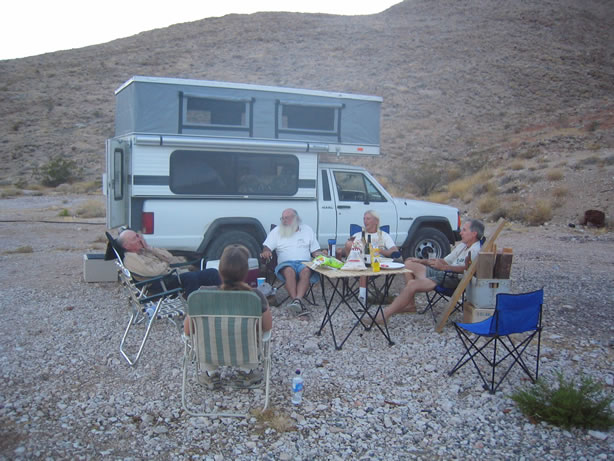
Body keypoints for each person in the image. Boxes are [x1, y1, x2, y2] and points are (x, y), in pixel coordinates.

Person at [183, 244, 272, 389]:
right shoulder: (254, 296)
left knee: (205, 333)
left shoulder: (201, 295)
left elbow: (188, 330)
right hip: (245, 349)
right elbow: (267, 328)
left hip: (209, 351)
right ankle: (246, 372)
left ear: (220, 269)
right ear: (245, 271)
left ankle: (210, 374)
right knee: (252, 334)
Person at [375, 219, 484, 324]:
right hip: (443, 273)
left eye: (464, 230)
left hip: (451, 279)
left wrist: (443, 268)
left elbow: (466, 270)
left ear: (474, 233)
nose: (460, 233)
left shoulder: (476, 251)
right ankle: (410, 304)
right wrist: (422, 261)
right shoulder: (462, 246)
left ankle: (384, 315)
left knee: (412, 284)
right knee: (409, 262)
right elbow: (445, 261)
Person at [117, 229, 221, 298]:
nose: (139, 239)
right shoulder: (131, 259)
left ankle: (232, 292)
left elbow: (169, 257)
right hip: (160, 282)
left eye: (137, 236)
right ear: (126, 246)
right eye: (135, 238)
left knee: (212, 273)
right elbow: (153, 272)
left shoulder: (143, 251)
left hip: (170, 275)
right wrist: (164, 264)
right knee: (191, 278)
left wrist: (149, 248)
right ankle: (194, 309)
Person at [260, 208, 323, 315]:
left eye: (287, 218)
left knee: (306, 271)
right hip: (286, 264)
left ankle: (297, 301)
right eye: (282, 218)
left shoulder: (307, 230)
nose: (284, 221)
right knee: (289, 271)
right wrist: (266, 252)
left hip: (304, 263)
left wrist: (321, 255)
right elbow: (267, 247)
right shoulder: (277, 231)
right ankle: (297, 301)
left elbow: (315, 251)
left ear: (296, 219)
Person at [339, 210, 400, 303]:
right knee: (363, 271)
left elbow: (394, 251)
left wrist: (379, 250)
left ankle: (362, 300)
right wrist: (344, 249)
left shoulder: (383, 235)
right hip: (359, 265)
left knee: (364, 272)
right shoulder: (358, 235)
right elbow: (347, 252)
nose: (365, 221)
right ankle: (362, 300)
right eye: (364, 218)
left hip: (377, 265)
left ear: (376, 221)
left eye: (368, 218)